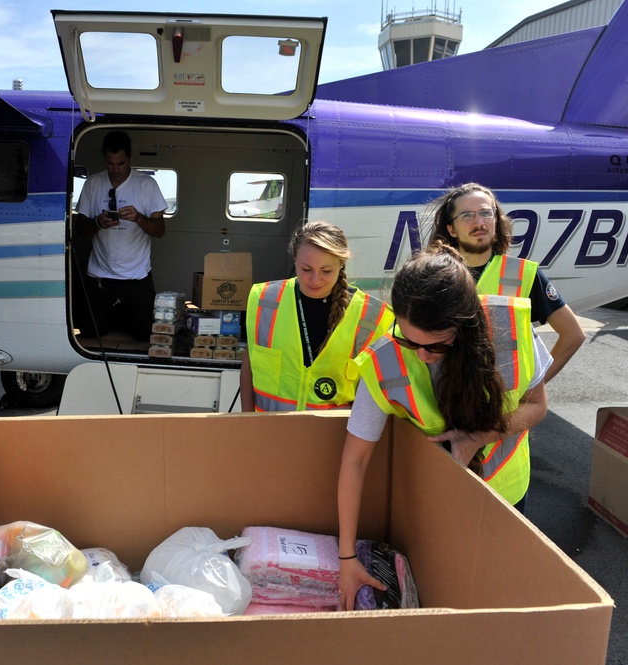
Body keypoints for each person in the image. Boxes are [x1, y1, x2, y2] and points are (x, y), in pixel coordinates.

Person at [336, 243, 551, 610]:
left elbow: (537, 407)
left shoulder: (511, 331)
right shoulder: (383, 359)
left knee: (498, 603)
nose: (420, 355)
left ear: (465, 325)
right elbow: (354, 461)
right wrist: (346, 559)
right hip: (440, 506)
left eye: (435, 346)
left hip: (507, 497)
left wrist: (478, 437)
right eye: (408, 340)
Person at [426, 183, 584, 383]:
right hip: (448, 399)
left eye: (485, 213)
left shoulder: (523, 274)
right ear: (451, 229)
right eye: (467, 215)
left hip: (507, 407)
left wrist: (536, 386)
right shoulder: (434, 275)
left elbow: (573, 335)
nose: (479, 222)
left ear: (496, 221)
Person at [240, 220, 393, 412]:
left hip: (333, 437)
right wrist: (246, 419)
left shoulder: (373, 316)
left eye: (326, 271)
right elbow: (250, 361)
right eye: (306, 269)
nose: (315, 280)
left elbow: (375, 391)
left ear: (341, 264)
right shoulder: (264, 300)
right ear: (294, 260)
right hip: (270, 432)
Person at [73, 130, 166, 342]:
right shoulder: (93, 184)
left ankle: (124, 315)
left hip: (137, 277)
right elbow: (80, 230)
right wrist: (98, 222)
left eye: (121, 163)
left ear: (131, 155)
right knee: (88, 332)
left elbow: (160, 230)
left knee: (145, 335)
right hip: (100, 277)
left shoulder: (146, 185)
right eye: (110, 163)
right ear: (103, 156)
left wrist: (139, 218)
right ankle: (117, 315)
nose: (115, 170)